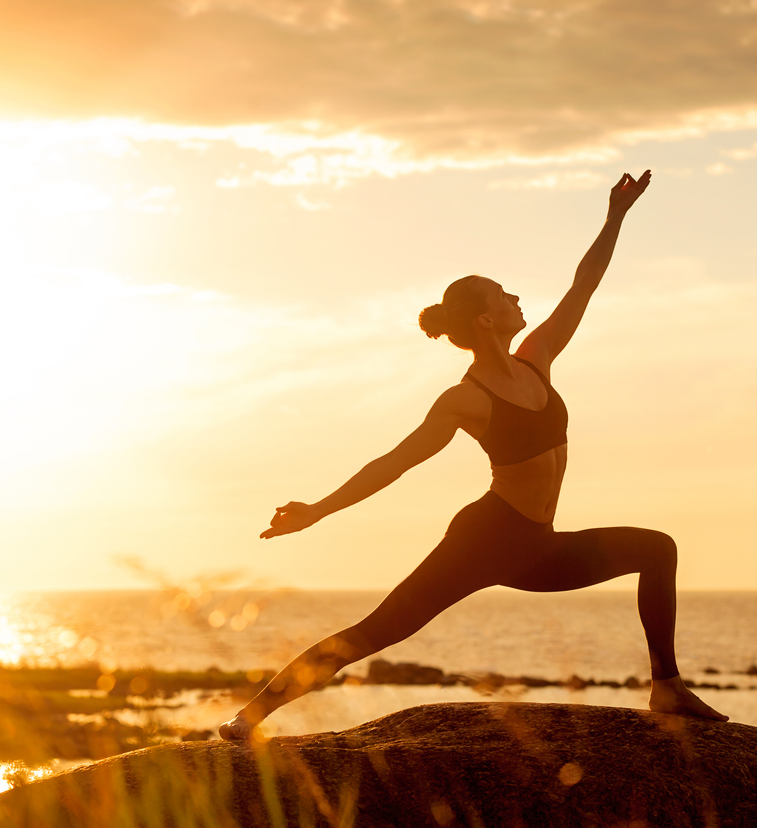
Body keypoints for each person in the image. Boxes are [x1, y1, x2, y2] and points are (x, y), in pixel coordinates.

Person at [219, 170, 726, 742]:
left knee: (656, 549)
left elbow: (584, 284)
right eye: (503, 294)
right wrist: (316, 510)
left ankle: (667, 685)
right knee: (373, 633)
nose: (515, 297)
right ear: (486, 319)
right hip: (485, 540)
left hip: (539, 548)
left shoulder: (537, 359)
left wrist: (615, 218)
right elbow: (394, 462)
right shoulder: (466, 400)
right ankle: (247, 720)